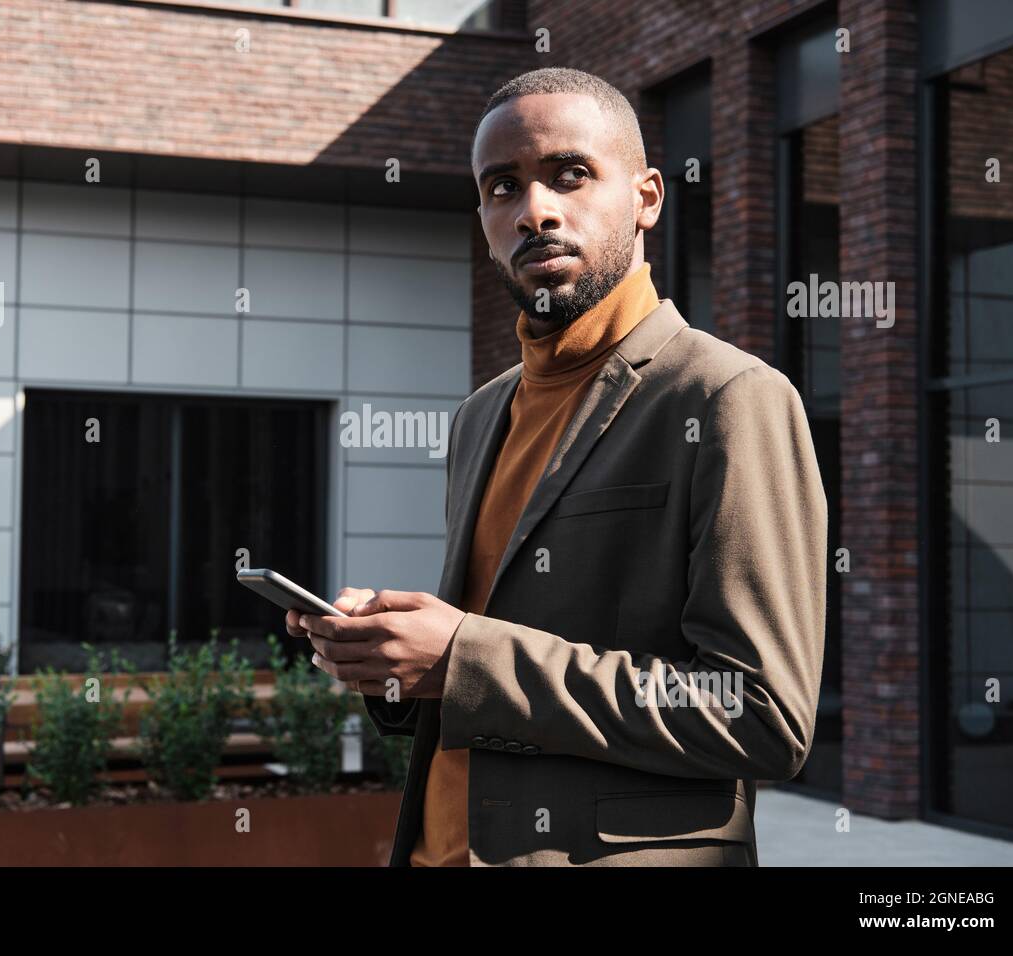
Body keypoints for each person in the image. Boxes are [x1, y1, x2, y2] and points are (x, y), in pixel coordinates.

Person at [286, 67, 827, 867]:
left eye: (570, 175)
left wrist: (464, 656)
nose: (534, 210)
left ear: (647, 198)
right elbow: (485, 668)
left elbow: (760, 714)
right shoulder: (481, 416)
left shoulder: (727, 397)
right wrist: (390, 665)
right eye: (502, 187)